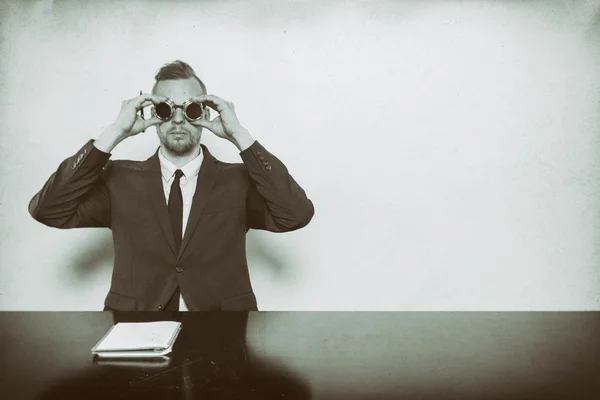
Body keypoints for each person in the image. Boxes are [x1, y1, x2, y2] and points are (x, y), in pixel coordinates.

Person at [29, 60, 314, 311]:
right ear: (152, 113)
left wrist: (240, 136)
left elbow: (295, 214)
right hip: (135, 330)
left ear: (204, 112)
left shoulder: (238, 180)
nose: (178, 119)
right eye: (166, 108)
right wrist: (114, 133)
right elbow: (49, 210)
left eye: (190, 108)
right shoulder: (118, 178)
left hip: (222, 332)